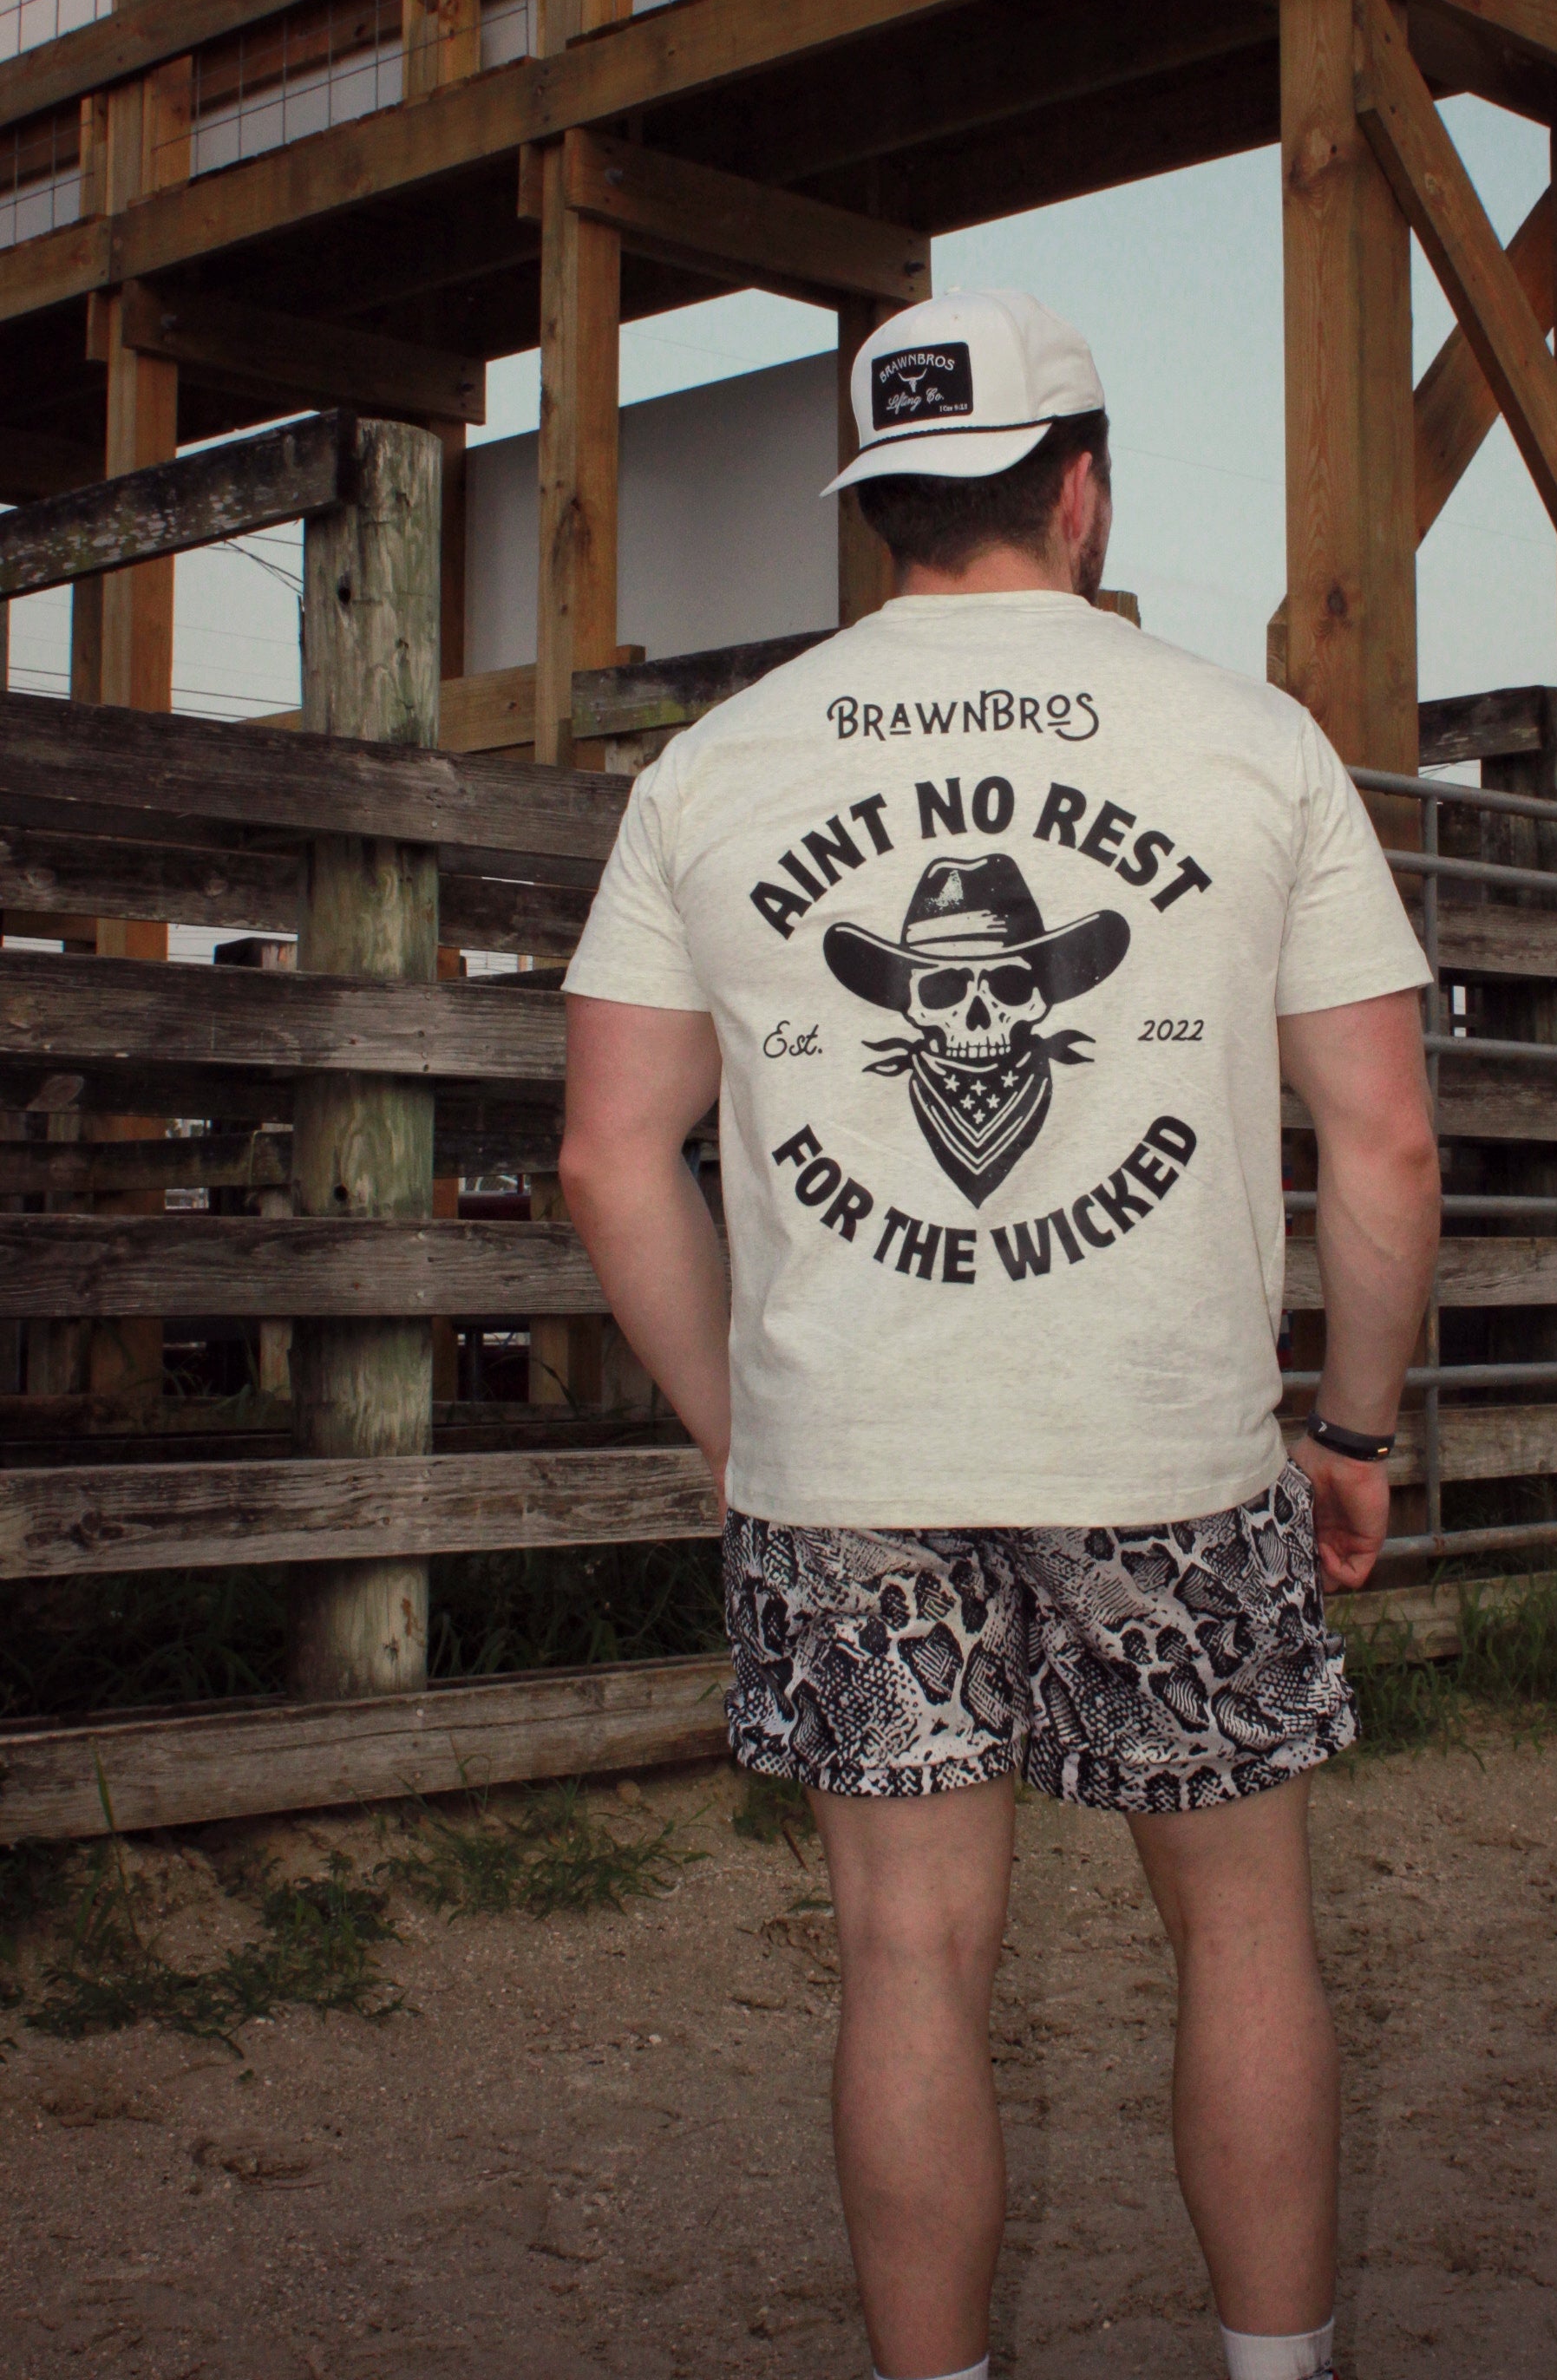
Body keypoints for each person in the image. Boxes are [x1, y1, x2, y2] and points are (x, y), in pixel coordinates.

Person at [560, 289, 1441, 2380]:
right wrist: (1353, 1431)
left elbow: (607, 1159)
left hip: (850, 1467)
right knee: (1245, 1933)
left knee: (908, 1958)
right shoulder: (1251, 743)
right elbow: (1387, 1142)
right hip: (1175, 1452)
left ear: (878, 509)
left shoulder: (712, 768)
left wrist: (745, 1434)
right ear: (1082, 490)